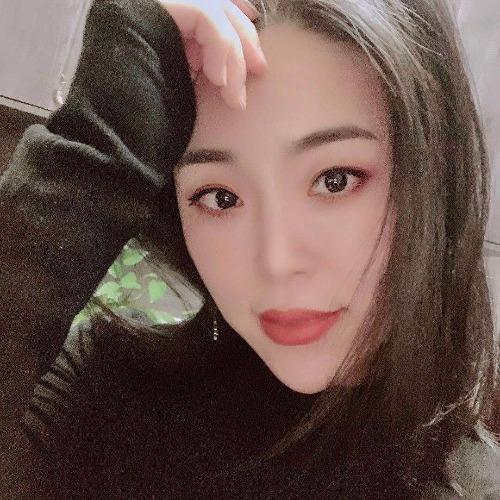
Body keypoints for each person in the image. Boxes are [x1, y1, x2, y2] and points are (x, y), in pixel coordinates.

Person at [1, 0, 499, 498]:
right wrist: (93, 152)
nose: (275, 261)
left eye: (335, 179)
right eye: (220, 197)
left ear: (434, 179)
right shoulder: (100, 397)